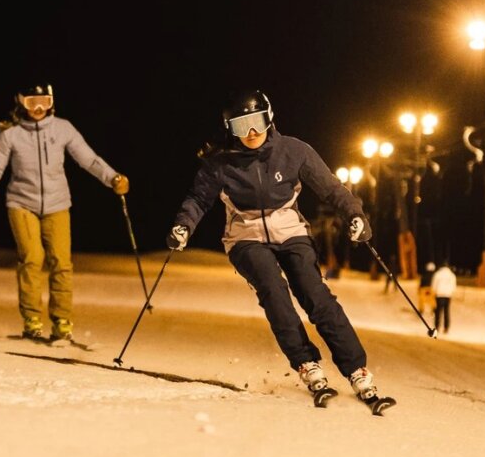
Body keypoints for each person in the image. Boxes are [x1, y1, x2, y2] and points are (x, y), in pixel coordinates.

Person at [165, 89, 387, 403]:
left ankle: (356, 369)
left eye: (257, 122)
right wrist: (183, 226)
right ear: (231, 129)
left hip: (290, 230)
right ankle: (306, 363)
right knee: (273, 290)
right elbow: (198, 200)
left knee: (314, 294)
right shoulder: (220, 163)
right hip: (246, 236)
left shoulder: (294, 151)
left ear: (269, 118)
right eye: (242, 126)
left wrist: (355, 215)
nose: (252, 132)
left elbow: (332, 188)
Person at [0, 82, 129, 343]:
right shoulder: (11, 135)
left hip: (57, 204)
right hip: (21, 203)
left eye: (44, 102)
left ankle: (62, 322)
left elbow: (88, 158)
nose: (39, 108)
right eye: (32, 103)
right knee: (31, 258)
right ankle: (32, 320)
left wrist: (113, 178)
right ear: (21, 103)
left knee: (61, 262)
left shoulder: (63, 128)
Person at [431, 261, 457, 335]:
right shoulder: (452, 275)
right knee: (446, 312)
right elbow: (453, 286)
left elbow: (434, 284)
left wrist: (434, 291)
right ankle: (446, 328)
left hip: (439, 294)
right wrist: (451, 292)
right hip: (448, 295)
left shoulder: (437, 274)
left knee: (438, 312)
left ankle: (437, 327)